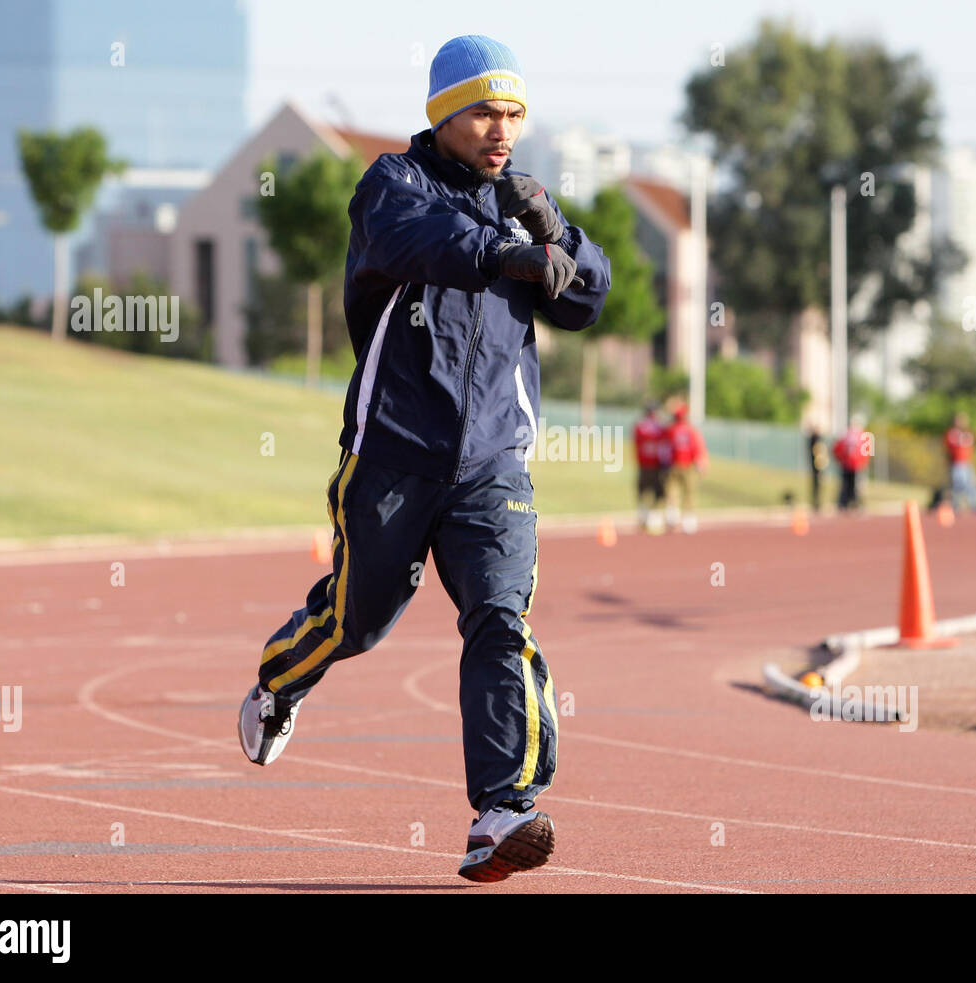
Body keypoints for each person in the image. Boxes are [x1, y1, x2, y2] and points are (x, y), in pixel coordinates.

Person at [237, 35, 611, 884]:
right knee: (355, 622)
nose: (501, 128)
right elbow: (421, 238)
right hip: (391, 460)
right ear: (443, 112)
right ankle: (279, 680)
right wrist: (505, 251)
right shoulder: (390, 186)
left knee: (500, 619)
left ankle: (503, 809)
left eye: (513, 112)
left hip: (493, 468)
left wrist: (554, 230)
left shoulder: (524, 200)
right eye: (484, 110)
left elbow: (589, 295)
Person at [664, 402, 708, 532]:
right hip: (686, 466)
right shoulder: (691, 431)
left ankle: (674, 518)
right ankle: (688, 522)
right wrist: (701, 464)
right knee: (689, 494)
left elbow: (665, 449)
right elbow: (698, 448)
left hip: (675, 465)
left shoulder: (671, 430)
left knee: (674, 492)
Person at [633, 401, 670, 534]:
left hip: (646, 464)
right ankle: (650, 518)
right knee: (655, 492)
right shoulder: (659, 427)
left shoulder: (641, 426)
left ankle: (645, 517)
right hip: (653, 464)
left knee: (645, 492)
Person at [944, 413, 976, 513]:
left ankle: (975, 505)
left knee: (972, 484)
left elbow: (975, 443)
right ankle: (957, 505)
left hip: (968, 462)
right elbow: (949, 448)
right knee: (958, 485)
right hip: (957, 463)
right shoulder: (952, 433)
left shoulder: (969, 433)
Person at [832, 416, 870, 511]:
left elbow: (836, 448)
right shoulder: (862, 435)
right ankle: (854, 503)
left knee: (847, 485)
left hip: (848, 464)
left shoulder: (845, 435)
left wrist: (840, 459)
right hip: (855, 464)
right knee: (856, 485)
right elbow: (867, 451)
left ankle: (844, 503)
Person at [807, 427, 828, 512]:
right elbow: (818, 453)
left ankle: (818, 502)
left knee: (818, 485)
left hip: (818, 466)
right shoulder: (815, 440)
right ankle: (816, 502)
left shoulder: (817, 440)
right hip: (817, 466)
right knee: (816, 485)